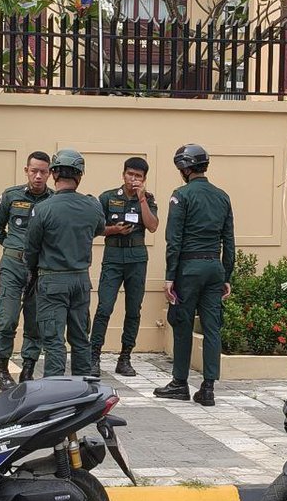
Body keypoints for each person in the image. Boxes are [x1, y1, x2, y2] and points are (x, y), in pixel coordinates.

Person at [154, 144, 235, 407]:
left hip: (188, 269)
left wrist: (169, 276)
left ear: (185, 168)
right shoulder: (223, 196)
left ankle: (179, 383)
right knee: (212, 327)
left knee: (182, 324)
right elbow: (229, 240)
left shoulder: (181, 195)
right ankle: (208, 387)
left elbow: (173, 239)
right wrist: (227, 275)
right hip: (214, 268)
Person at [23, 148, 105, 378]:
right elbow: (99, 228)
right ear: (79, 176)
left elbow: (31, 248)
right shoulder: (92, 205)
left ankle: (56, 393)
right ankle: (83, 390)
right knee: (80, 338)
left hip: (52, 280)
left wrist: (31, 271)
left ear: (54, 174)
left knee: (53, 339)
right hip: (81, 279)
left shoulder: (43, 208)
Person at [89, 156, 158, 377]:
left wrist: (142, 199)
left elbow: (153, 226)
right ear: (123, 174)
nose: (133, 179)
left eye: (138, 176)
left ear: (144, 179)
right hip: (113, 257)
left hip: (137, 259)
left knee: (133, 310)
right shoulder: (108, 198)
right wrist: (114, 230)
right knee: (104, 308)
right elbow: (95, 228)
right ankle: (94, 357)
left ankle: (125, 358)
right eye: (130, 174)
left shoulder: (147, 198)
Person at [0, 150, 54, 390]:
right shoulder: (11, 196)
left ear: (49, 173)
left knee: (34, 320)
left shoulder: (53, 200)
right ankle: (3, 367)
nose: (38, 176)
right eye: (34, 170)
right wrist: (14, 249)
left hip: (39, 268)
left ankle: (28, 369)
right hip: (12, 265)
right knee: (7, 319)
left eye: (43, 172)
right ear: (26, 170)